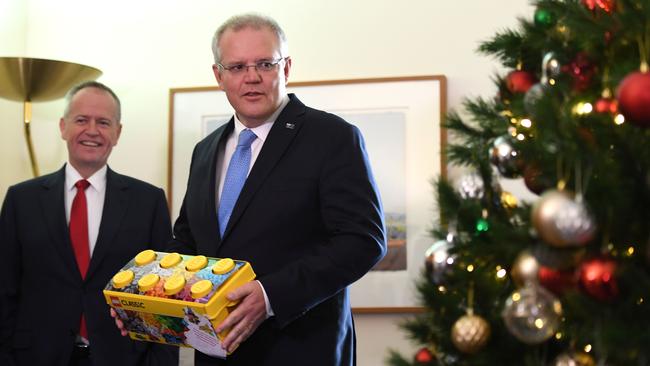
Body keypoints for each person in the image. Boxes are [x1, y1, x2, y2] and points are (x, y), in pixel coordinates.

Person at [169, 13, 387, 365]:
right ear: (218, 76)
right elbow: (188, 242)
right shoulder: (205, 151)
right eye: (237, 67)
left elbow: (363, 240)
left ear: (286, 68)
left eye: (265, 64)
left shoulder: (332, 137)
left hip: (301, 351)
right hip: (217, 353)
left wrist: (269, 296)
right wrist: (146, 299)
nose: (252, 77)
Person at [0, 81, 178, 366]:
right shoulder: (21, 200)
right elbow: (5, 291)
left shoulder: (149, 202)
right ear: (63, 127)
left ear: (118, 133)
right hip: (35, 356)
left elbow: (162, 300)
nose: (92, 131)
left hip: (122, 358)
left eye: (104, 122)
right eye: (81, 120)